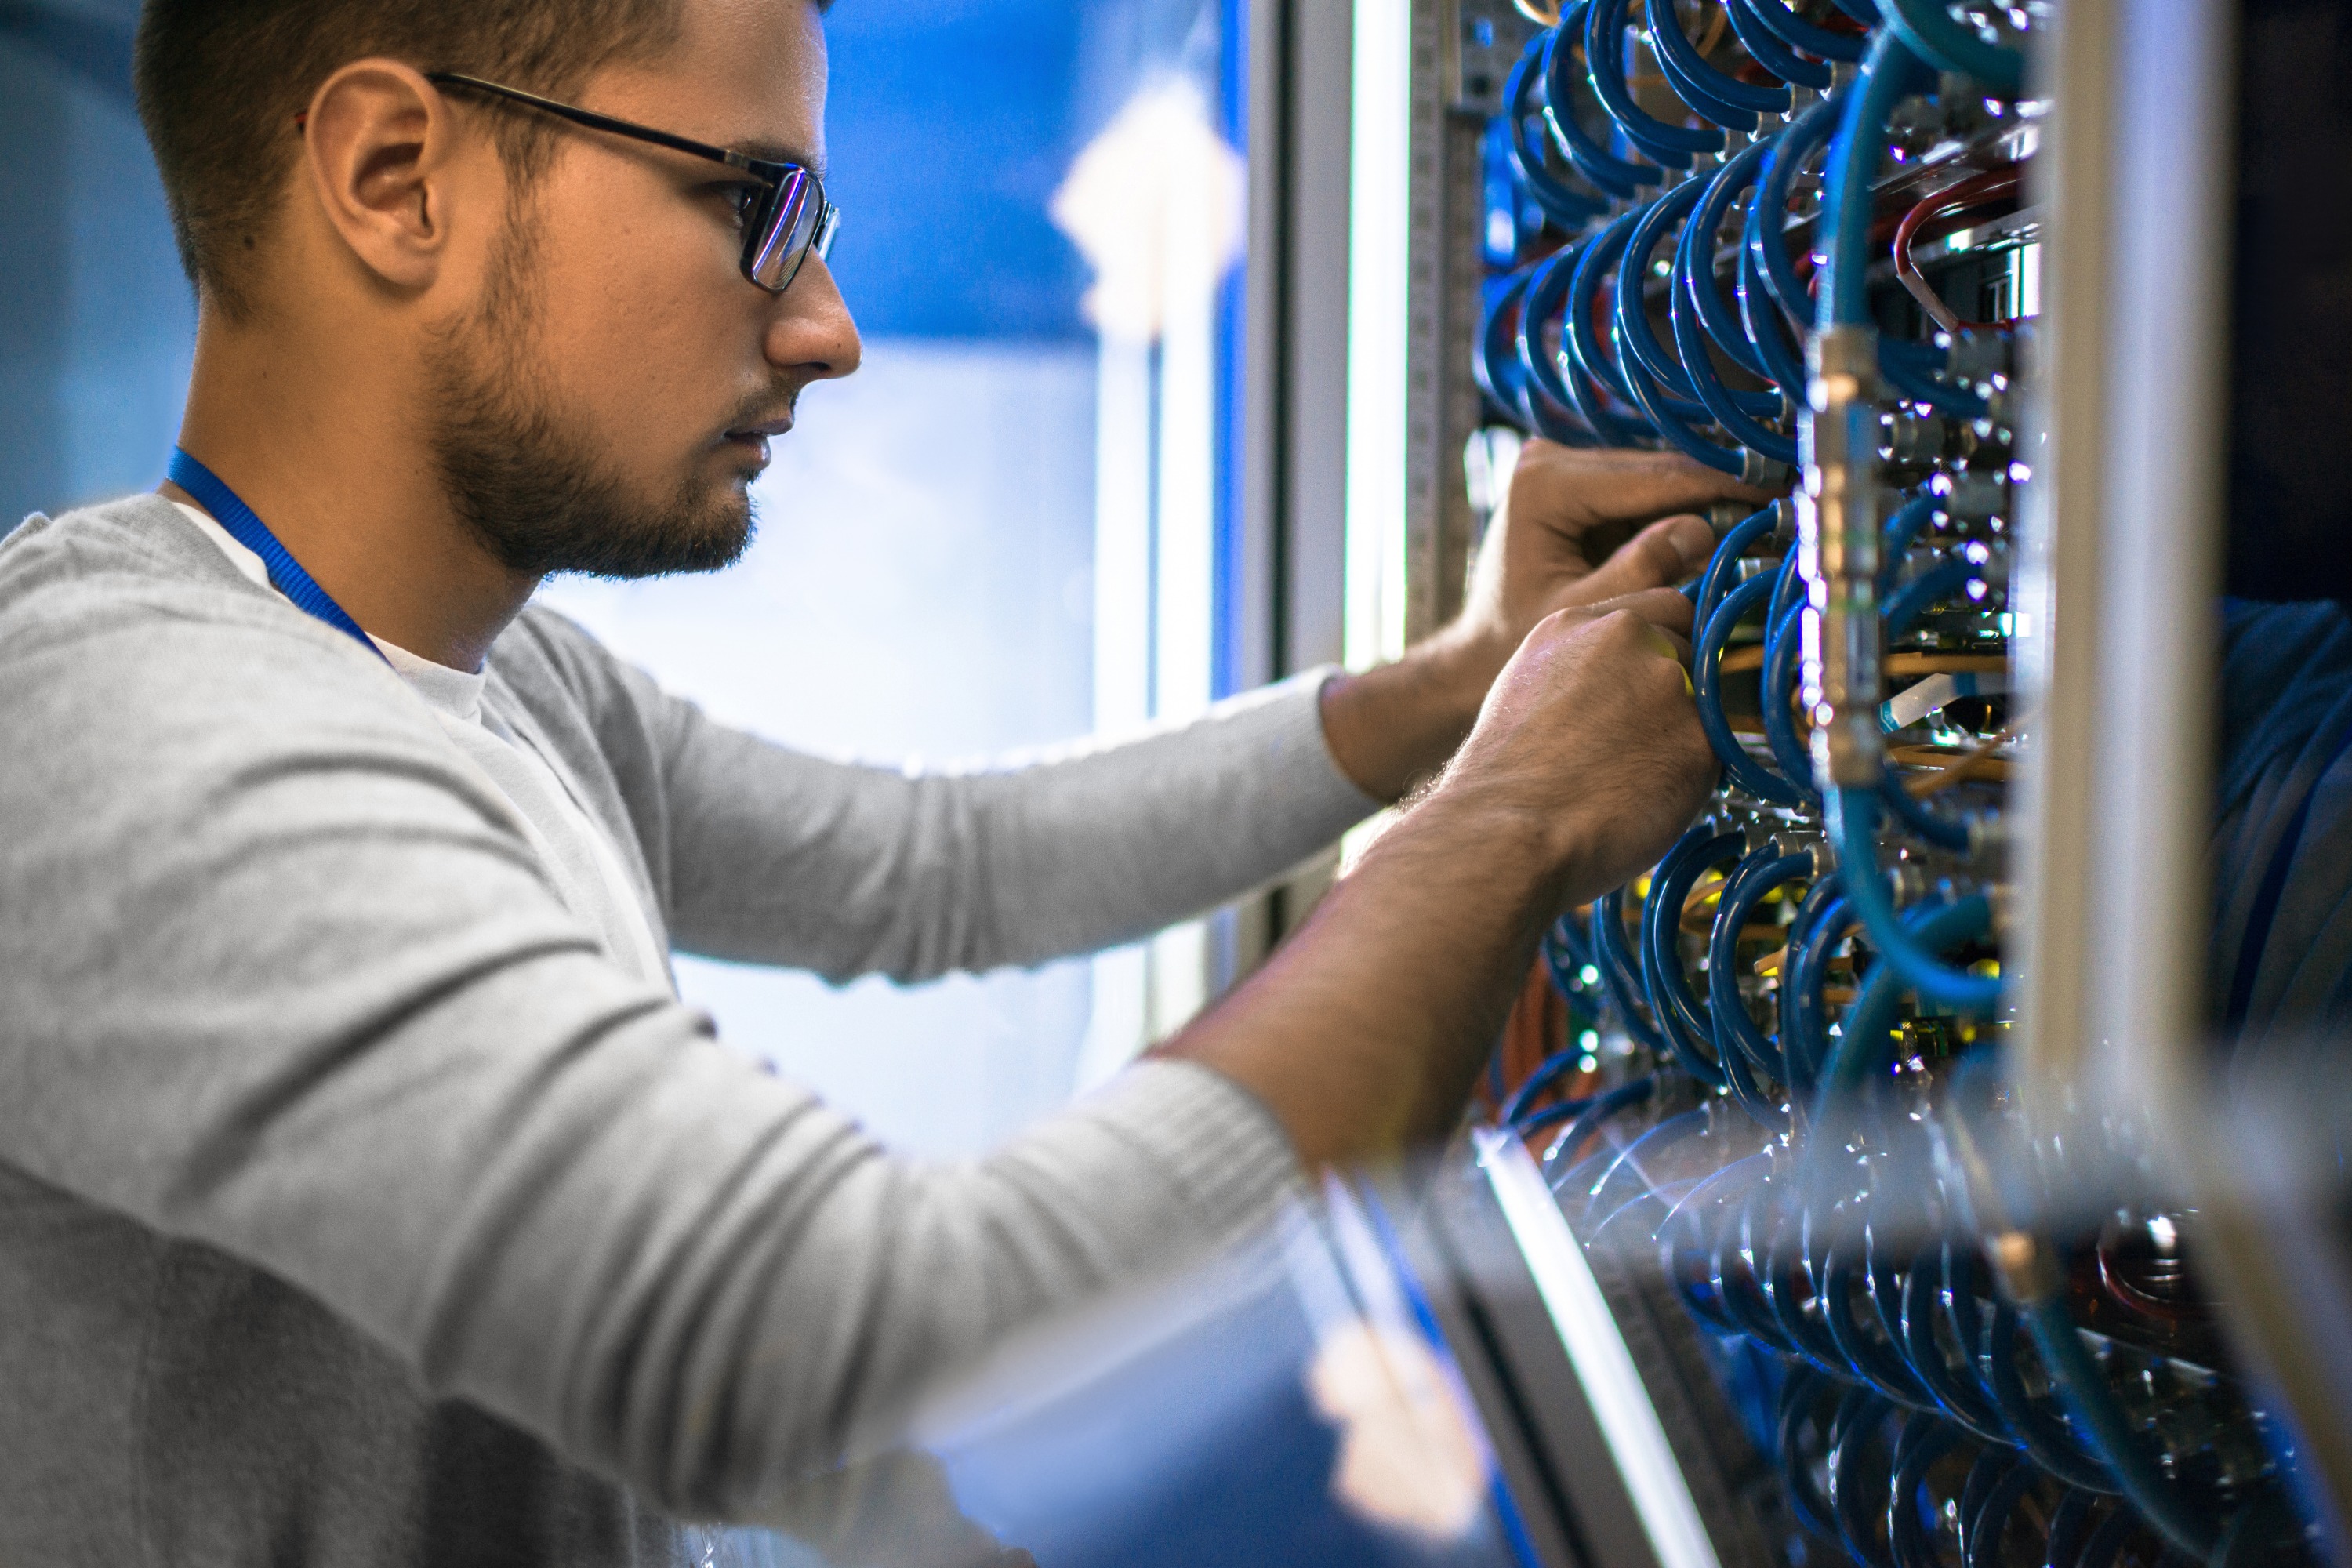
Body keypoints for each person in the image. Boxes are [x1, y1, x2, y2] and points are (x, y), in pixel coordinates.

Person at [0, 0, 1763, 1562]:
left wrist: (1459, 693)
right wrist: (1510, 824)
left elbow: (943, 866)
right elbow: (846, 1328)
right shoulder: (124, 733)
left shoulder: (502, 680)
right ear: (396, 177)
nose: (827, 329)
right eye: (756, 208)